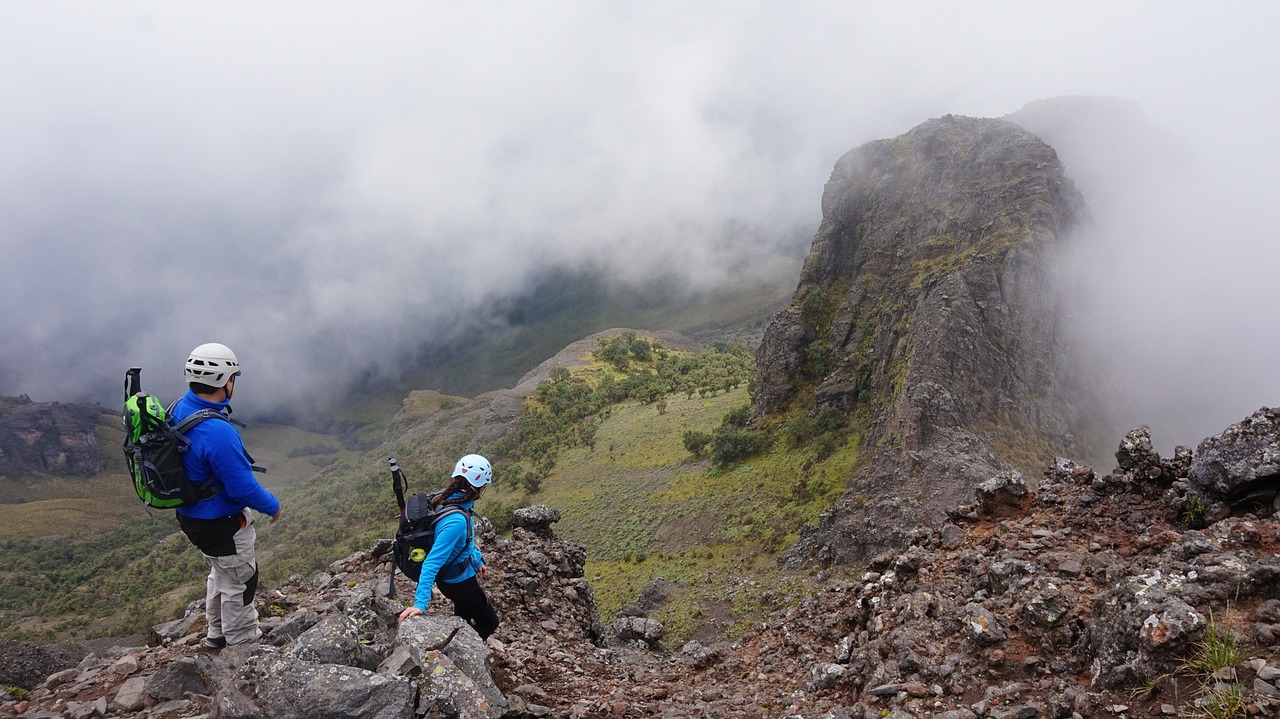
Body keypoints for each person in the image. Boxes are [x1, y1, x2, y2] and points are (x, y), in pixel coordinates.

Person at [172, 342, 281, 648]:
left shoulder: (180, 408)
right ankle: (242, 644)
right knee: (241, 581)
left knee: (221, 573)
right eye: (234, 377)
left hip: (193, 518)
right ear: (225, 381)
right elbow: (242, 488)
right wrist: (273, 506)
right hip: (223, 522)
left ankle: (217, 633)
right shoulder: (217, 431)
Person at [397, 454, 500, 640]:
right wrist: (420, 603)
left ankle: (459, 640)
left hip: (454, 578)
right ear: (481, 487)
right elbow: (432, 562)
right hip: (459, 583)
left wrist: (476, 560)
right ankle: (465, 648)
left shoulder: (446, 499)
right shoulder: (456, 520)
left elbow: (464, 542)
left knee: (463, 615)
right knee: (490, 623)